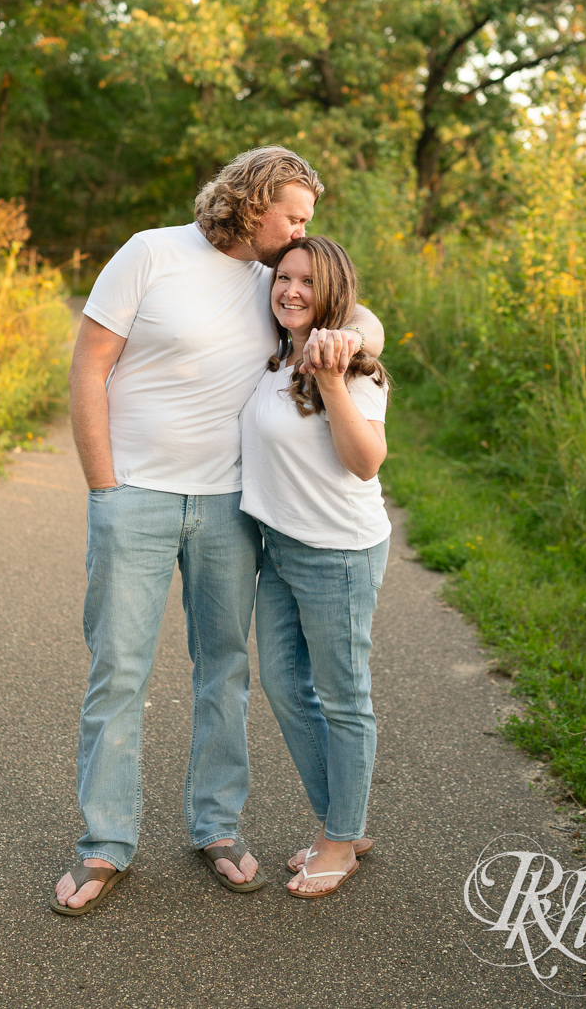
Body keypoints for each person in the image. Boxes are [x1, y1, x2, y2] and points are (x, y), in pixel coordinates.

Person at [53, 147, 383, 915]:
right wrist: (104, 485)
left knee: (225, 669)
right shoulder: (151, 252)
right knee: (120, 670)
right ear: (255, 200)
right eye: (295, 214)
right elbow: (89, 365)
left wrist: (358, 342)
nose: (304, 229)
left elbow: (354, 313)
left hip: (232, 507)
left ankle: (217, 827)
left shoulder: (279, 280)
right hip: (134, 495)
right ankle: (105, 843)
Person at [239, 236, 390, 899]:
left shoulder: (353, 367)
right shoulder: (274, 351)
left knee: (343, 696)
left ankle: (340, 839)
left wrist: (332, 377)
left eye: (306, 281)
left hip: (341, 552)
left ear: (332, 291)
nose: (291, 290)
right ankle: (345, 820)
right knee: (281, 682)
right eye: (283, 277)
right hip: (281, 548)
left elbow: (366, 461)